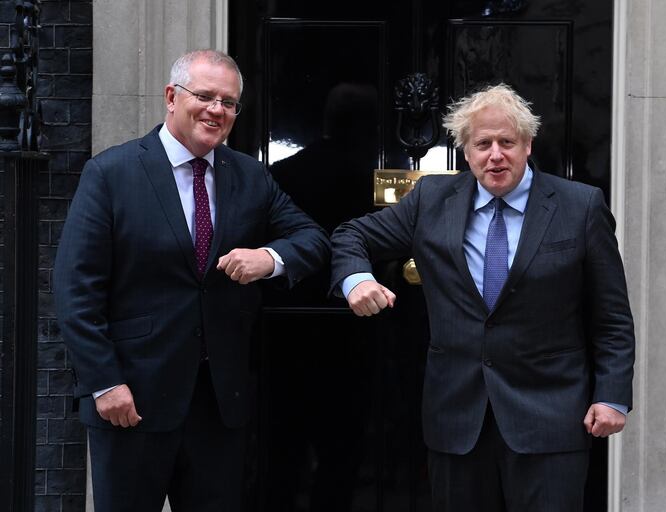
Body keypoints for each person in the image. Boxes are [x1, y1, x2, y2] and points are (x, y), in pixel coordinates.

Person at [329, 83, 635, 511]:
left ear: (528, 145)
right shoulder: (432, 201)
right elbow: (351, 235)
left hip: (550, 416)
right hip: (457, 417)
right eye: (483, 144)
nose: (495, 155)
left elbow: (612, 315)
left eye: (507, 142)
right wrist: (357, 279)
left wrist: (611, 395)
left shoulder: (579, 206)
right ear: (465, 151)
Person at [54, 49, 330, 512]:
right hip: (132, 400)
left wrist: (270, 256)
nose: (216, 110)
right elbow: (75, 289)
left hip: (217, 407)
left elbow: (313, 238)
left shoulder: (249, 175)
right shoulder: (111, 173)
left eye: (229, 102)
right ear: (171, 97)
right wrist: (104, 383)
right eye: (204, 96)